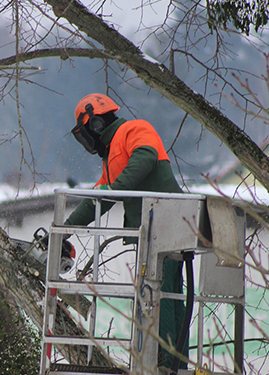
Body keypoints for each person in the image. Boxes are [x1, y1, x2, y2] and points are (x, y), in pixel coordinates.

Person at [64, 93, 187, 369]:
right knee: (162, 298)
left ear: (94, 124)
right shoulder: (112, 156)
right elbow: (98, 200)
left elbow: (146, 158)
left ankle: (166, 365)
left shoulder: (135, 129)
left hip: (168, 227)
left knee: (162, 300)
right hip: (153, 234)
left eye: (86, 132)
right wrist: (64, 230)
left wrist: (115, 189)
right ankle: (173, 363)